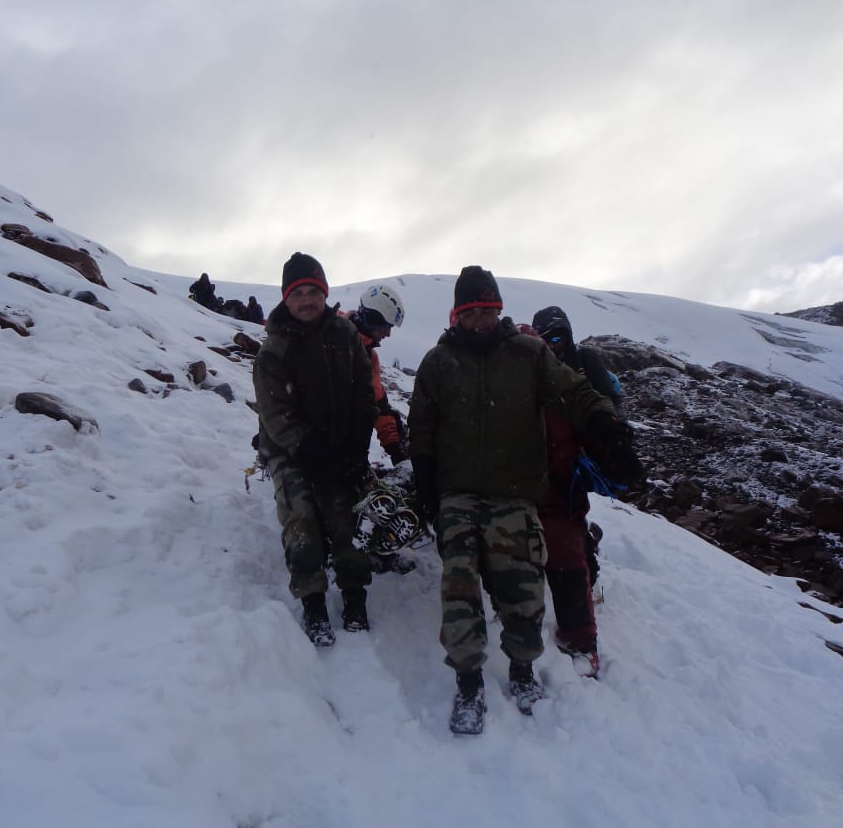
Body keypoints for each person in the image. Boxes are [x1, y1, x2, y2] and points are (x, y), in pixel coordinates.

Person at [409, 266, 641, 734]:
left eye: (488, 310)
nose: (481, 320)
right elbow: (422, 428)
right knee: (459, 589)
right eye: (471, 312)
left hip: (515, 495)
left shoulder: (529, 356)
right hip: (457, 494)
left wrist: (607, 429)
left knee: (523, 592)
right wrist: (426, 483)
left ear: (499, 309)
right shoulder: (437, 363)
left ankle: (522, 670)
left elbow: (574, 394)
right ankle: (469, 681)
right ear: (456, 315)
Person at [253, 253, 378, 647]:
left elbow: (363, 391)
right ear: (286, 299)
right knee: (302, 522)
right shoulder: (274, 350)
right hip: (292, 450)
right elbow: (277, 415)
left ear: (324, 294)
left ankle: (355, 597)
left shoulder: (344, 336)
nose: (307, 300)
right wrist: (313, 453)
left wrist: (357, 447)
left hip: (340, 445)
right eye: (298, 293)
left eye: (314, 292)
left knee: (348, 519)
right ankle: (313, 603)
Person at [531, 305, 625, 591]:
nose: (552, 345)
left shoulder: (585, 360)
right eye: (545, 339)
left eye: (558, 338)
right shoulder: (534, 363)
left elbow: (605, 403)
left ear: (568, 336)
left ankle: (584, 567)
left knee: (569, 509)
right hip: (545, 450)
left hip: (577, 451)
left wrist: (605, 444)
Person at [342, 285, 409, 465]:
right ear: (371, 319)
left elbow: (378, 404)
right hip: (312, 446)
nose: (387, 334)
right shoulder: (330, 337)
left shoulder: (370, 357)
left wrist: (395, 448)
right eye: (386, 326)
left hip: (348, 454)